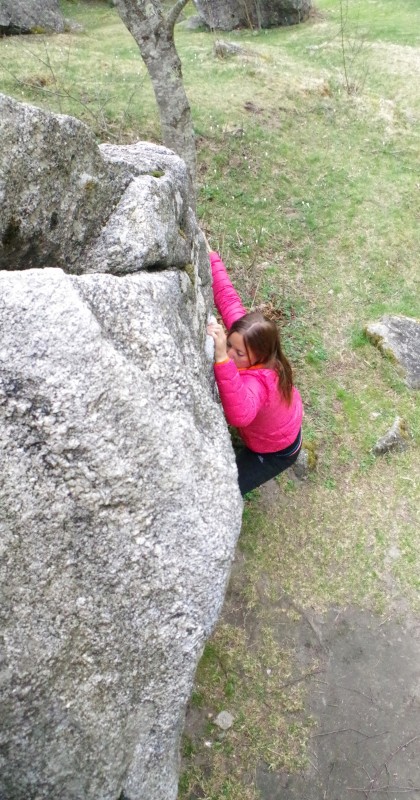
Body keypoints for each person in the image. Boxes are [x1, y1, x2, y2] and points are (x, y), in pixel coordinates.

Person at [206, 246, 303, 496]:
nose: (230, 353)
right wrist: (210, 257)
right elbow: (228, 299)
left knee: (224, 492)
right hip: (277, 427)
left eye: (238, 354)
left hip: (277, 452)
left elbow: (241, 413)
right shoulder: (252, 338)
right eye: (229, 345)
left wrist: (221, 359)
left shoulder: (260, 383)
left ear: (257, 356)